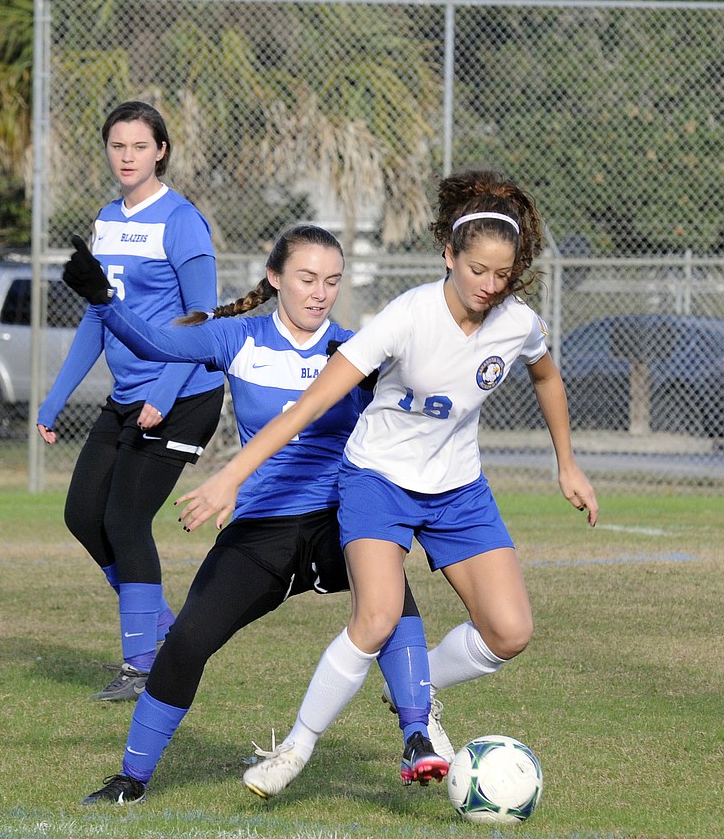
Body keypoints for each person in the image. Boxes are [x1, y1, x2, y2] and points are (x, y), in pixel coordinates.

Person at [174, 169, 599, 801]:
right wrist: (232, 475)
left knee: (510, 632)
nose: (488, 286)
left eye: (501, 275)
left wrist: (567, 462)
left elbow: (546, 376)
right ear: (449, 256)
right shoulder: (406, 317)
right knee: (374, 620)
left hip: (459, 490)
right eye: (476, 269)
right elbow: (308, 406)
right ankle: (295, 748)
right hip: (378, 481)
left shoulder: (516, 322)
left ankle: (417, 696)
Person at [69, 224, 452, 804]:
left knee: (392, 600)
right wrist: (103, 301)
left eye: (332, 281)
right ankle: (132, 777)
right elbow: (156, 344)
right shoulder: (239, 338)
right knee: (186, 644)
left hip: (338, 519)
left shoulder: (356, 348)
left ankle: (417, 735)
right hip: (260, 532)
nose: (320, 293)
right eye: (306, 278)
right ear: (275, 278)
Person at [38, 101, 225, 701]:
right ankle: (162, 629)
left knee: (124, 519)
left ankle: (144, 663)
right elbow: (101, 316)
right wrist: (53, 399)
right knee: (82, 514)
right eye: (117, 145)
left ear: (160, 151)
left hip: (185, 393)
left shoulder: (183, 221)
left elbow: (204, 323)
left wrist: (165, 392)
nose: (126, 156)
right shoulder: (107, 220)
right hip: (128, 395)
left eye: (139, 146)